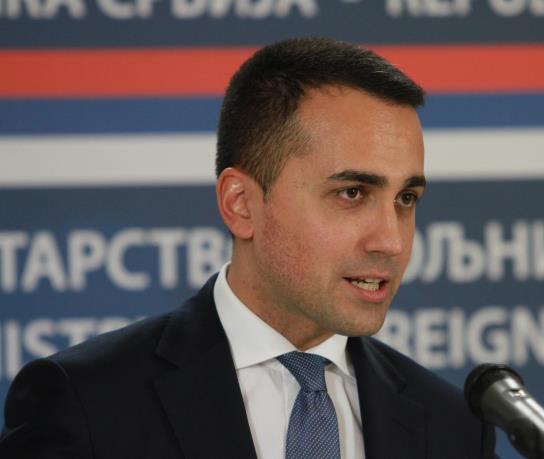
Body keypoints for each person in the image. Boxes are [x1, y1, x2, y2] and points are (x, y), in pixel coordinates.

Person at [0, 37, 496, 458]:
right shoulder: (87, 404)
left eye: (406, 199)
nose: (392, 240)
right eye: (352, 193)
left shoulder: (454, 427)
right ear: (241, 204)